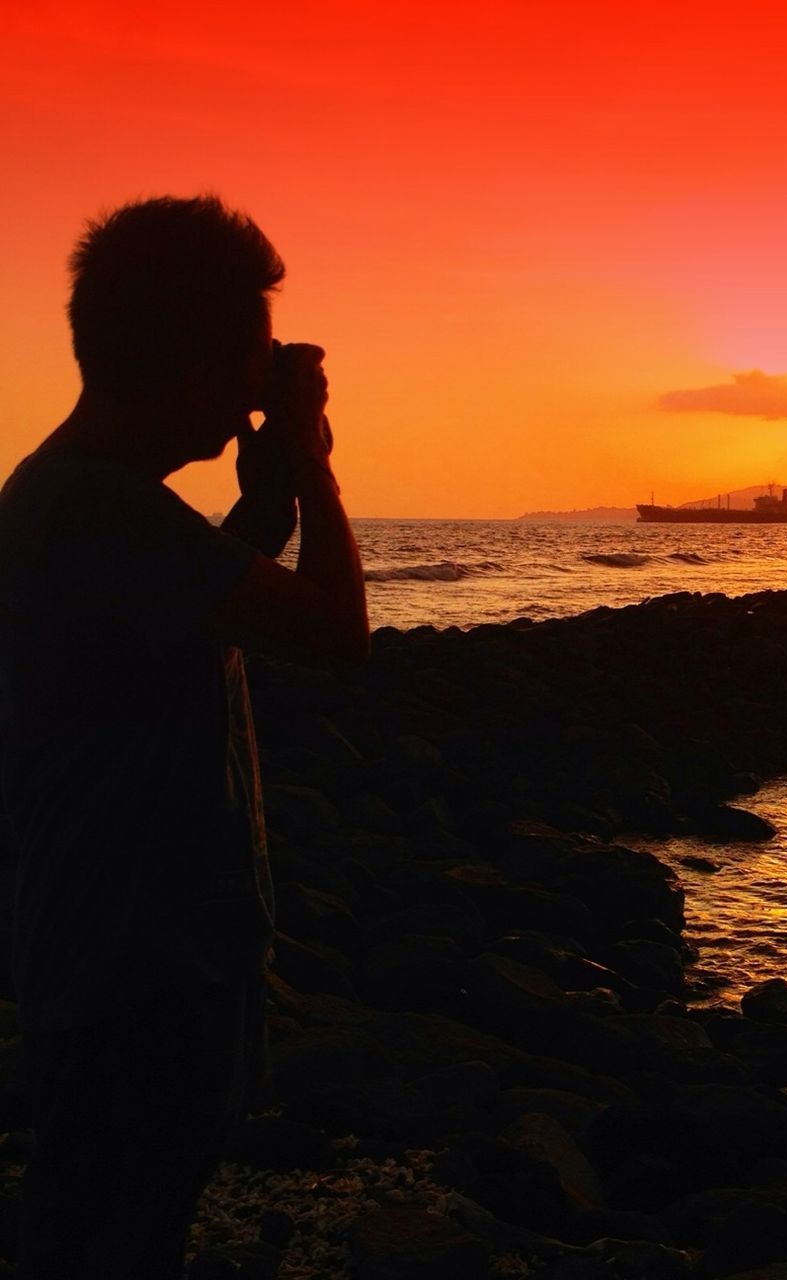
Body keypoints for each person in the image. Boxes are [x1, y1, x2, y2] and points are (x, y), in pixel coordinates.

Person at [0, 195, 368, 1279]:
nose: (255, 398)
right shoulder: (95, 507)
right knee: (114, 1233)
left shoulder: (79, 502)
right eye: (250, 367)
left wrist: (261, 513)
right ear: (202, 370)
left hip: (119, 949)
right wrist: (313, 464)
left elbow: (184, 622)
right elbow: (337, 634)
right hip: (134, 968)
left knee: (97, 1217)